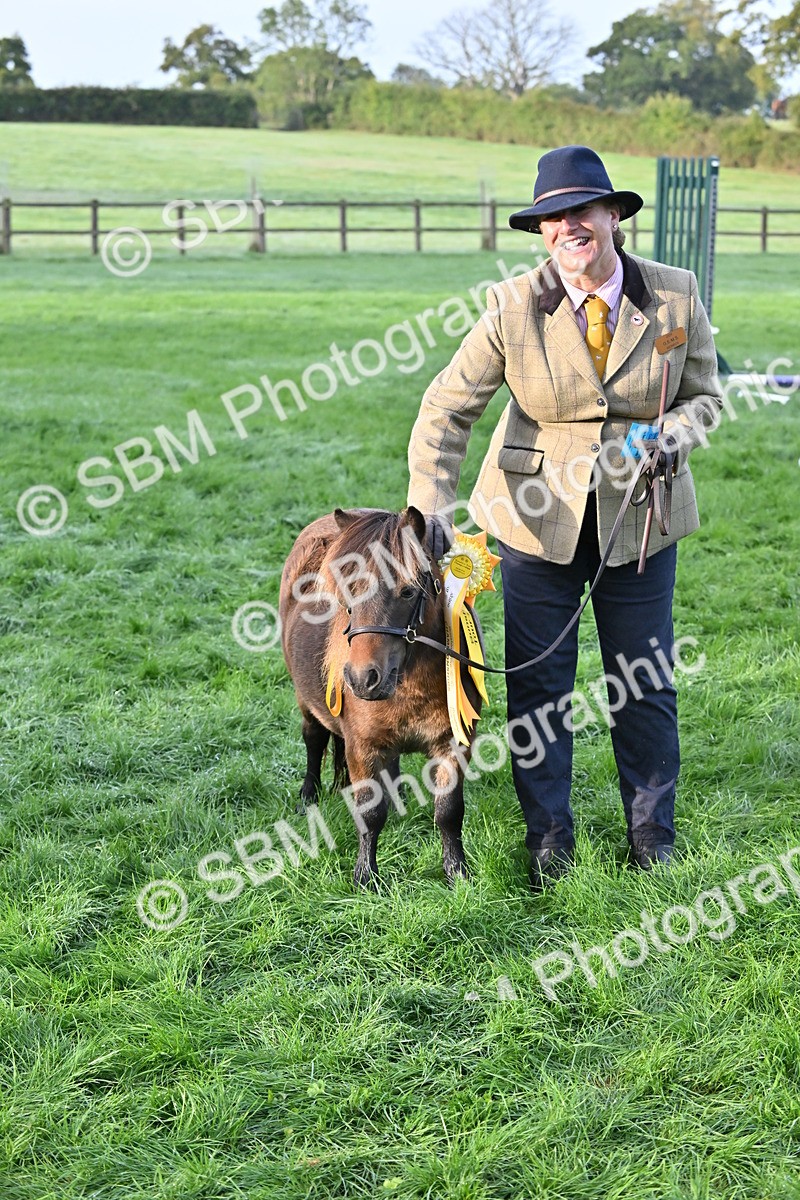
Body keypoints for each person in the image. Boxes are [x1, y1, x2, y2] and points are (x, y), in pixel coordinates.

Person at [407, 144, 723, 889]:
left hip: (641, 523)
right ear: (542, 231)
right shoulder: (512, 306)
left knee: (644, 681)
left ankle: (654, 840)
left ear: (614, 216)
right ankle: (549, 841)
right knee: (542, 688)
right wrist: (430, 510)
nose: (567, 227)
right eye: (552, 217)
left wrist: (675, 434)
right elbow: (447, 408)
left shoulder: (674, 296)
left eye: (582, 210)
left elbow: (705, 396)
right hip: (531, 521)